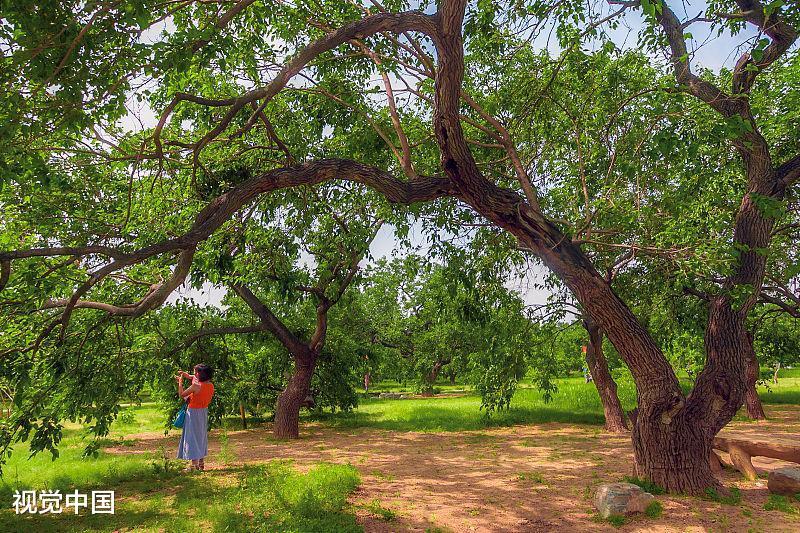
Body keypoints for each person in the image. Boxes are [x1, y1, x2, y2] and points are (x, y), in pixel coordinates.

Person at [176, 364, 214, 471]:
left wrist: (180, 382)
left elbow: (182, 394)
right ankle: (201, 463)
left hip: (193, 413)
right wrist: (188, 376)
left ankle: (194, 465)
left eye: (195, 372)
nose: (194, 374)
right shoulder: (210, 385)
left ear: (199, 374)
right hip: (203, 412)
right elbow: (195, 379)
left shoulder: (195, 386)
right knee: (201, 436)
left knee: (192, 437)